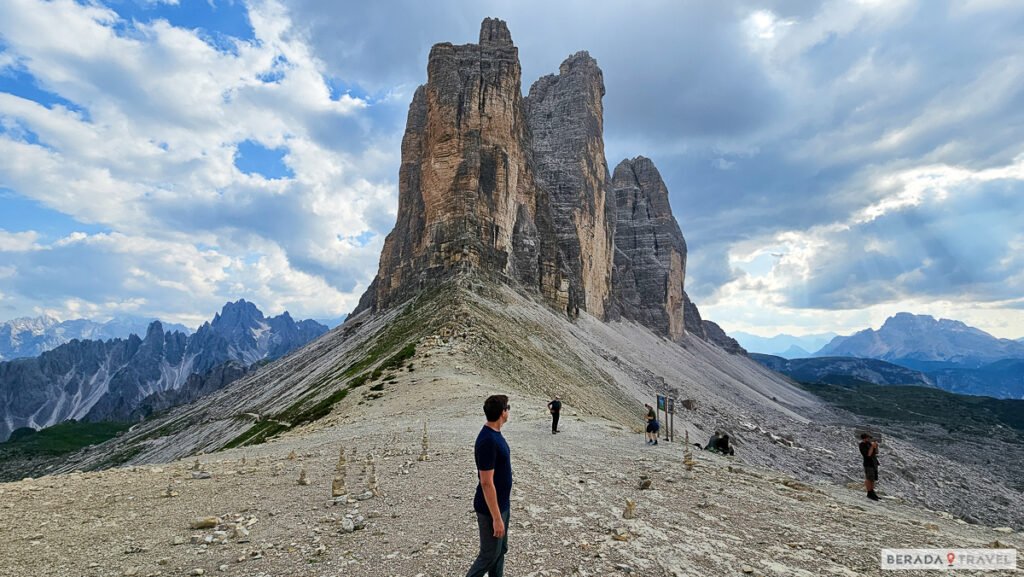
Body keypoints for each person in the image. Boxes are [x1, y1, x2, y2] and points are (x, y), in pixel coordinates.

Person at [466, 395, 513, 577]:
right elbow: (486, 482)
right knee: (489, 555)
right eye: (507, 407)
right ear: (503, 412)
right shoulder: (487, 440)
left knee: (500, 551)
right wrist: (496, 518)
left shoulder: (495, 434)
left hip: (502, 505)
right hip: (490, 509)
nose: (508, 410)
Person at [859, 433, 880, 501]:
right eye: (868, 438)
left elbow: (876, 452)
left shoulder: (869, 444)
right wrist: (871, 447)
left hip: (874, 463)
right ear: (864, 438)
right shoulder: (862, 445)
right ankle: (869, 492)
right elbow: (868, 454)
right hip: (868, 463)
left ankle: (872, 492)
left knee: (873, 479)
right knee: (869, 478)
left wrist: (876, 446)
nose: (869, 439)